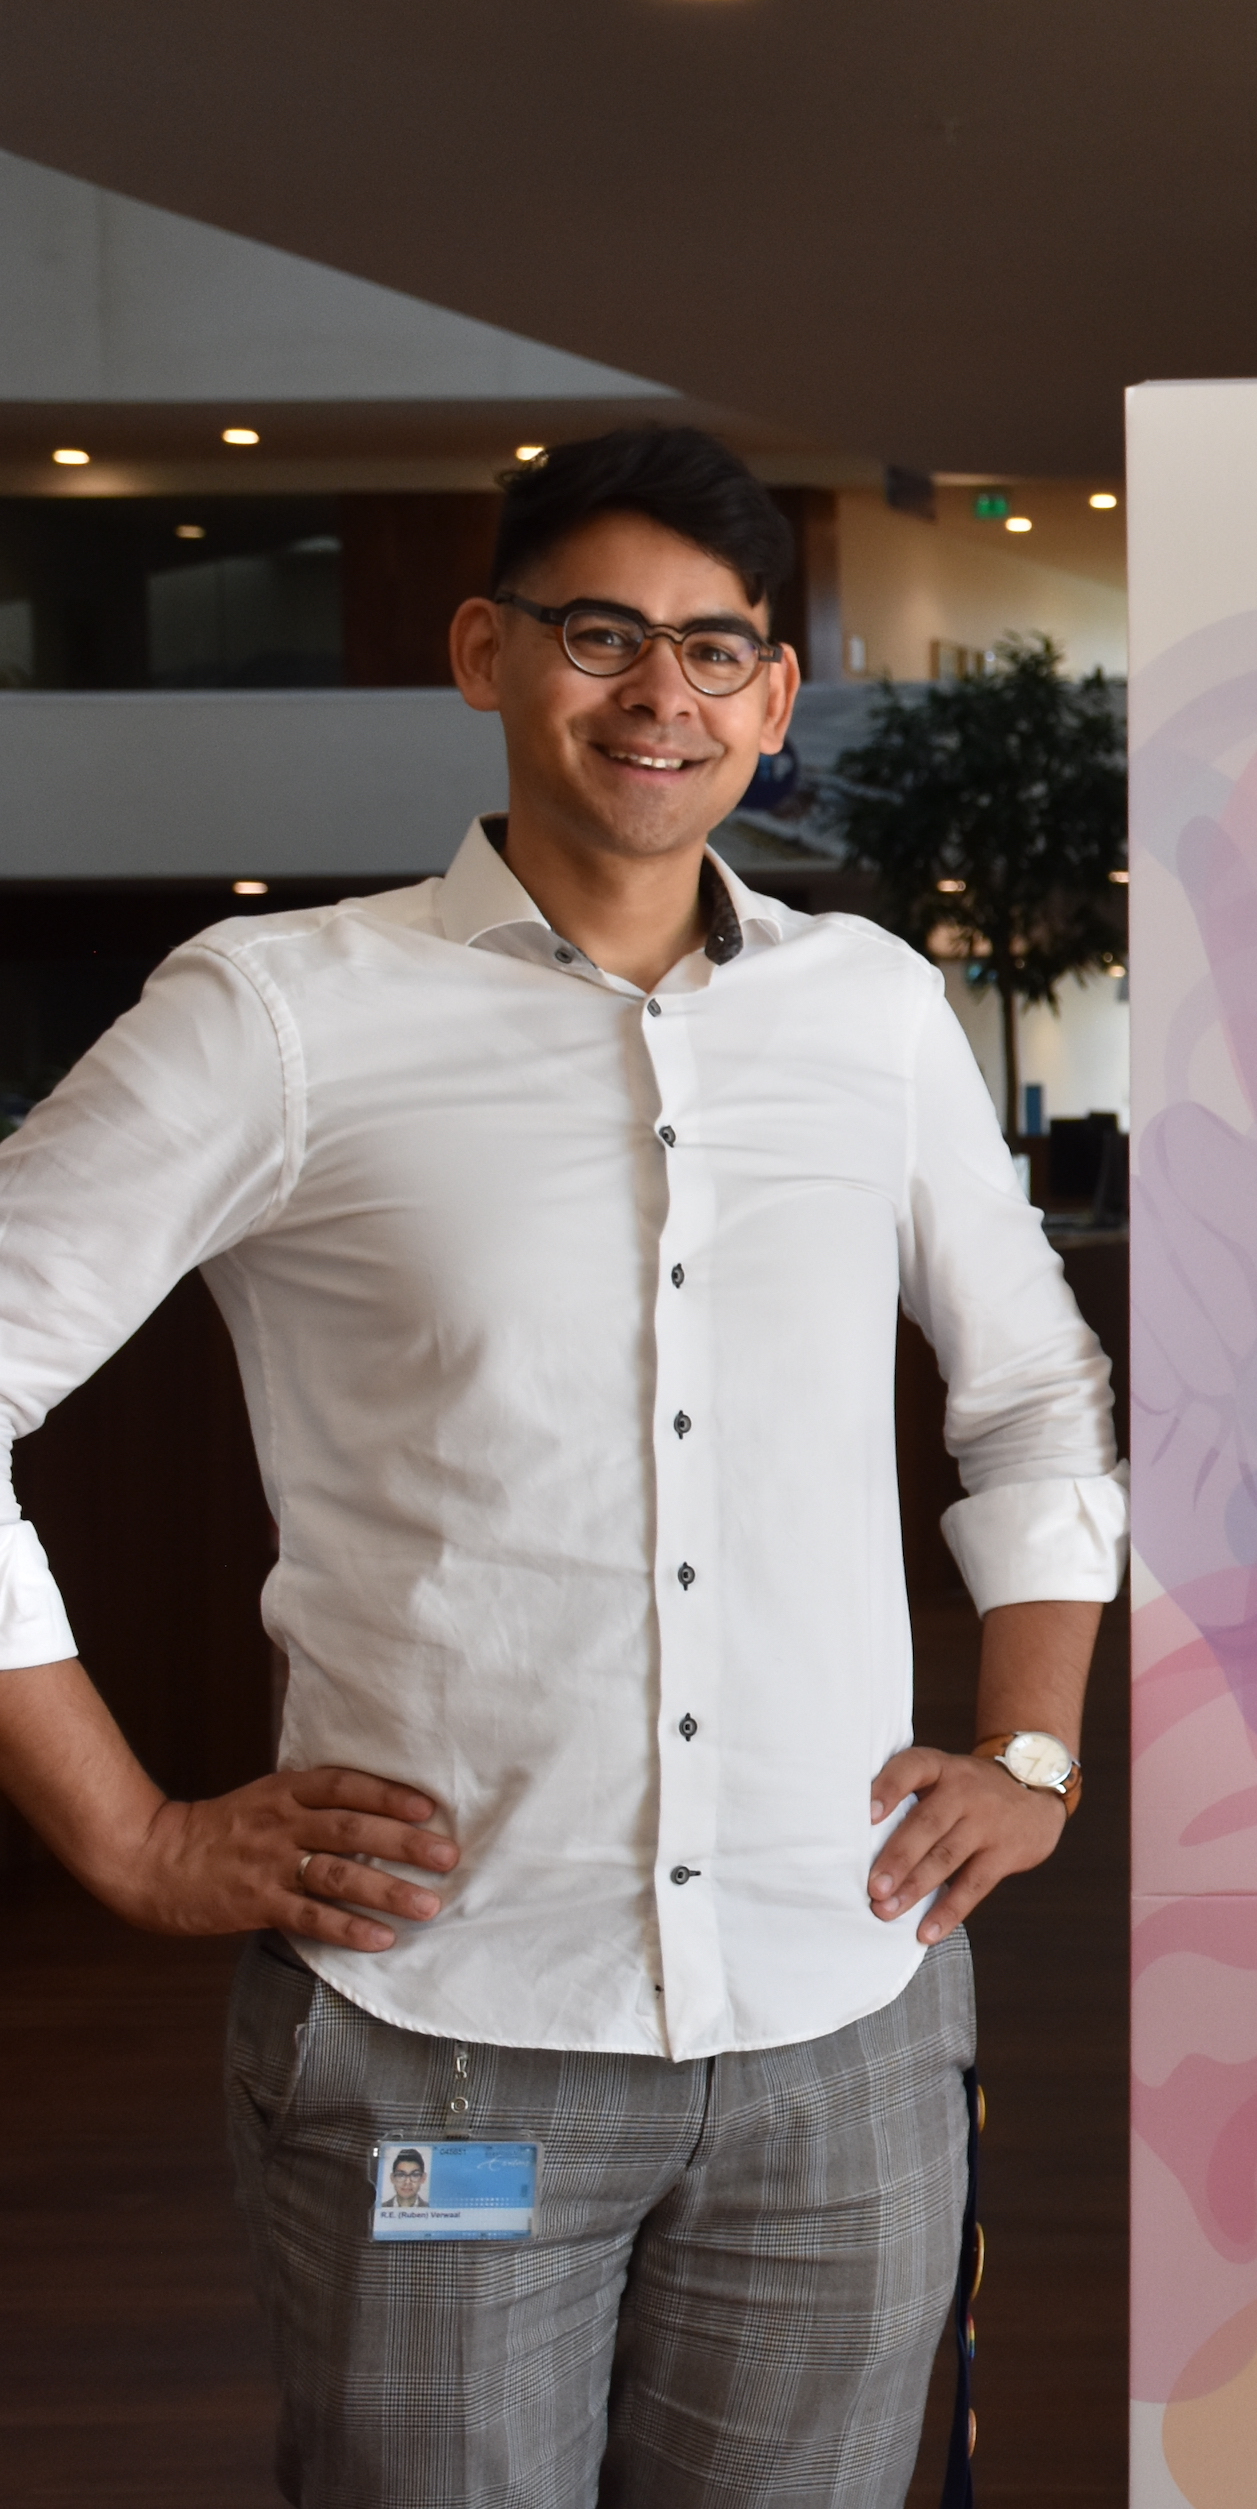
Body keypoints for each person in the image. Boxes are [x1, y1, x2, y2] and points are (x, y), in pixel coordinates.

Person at [0, 426, 1124, 2508]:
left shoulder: (870, 1013)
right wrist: (133, 1835)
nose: (659, 694)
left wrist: (1034, 1753)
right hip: (447, 2016)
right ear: (484, 650)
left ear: (778, 697)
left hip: (840, 2014)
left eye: (715, 647)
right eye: (601, 632)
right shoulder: (282, 1012)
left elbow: (1034, 1387)